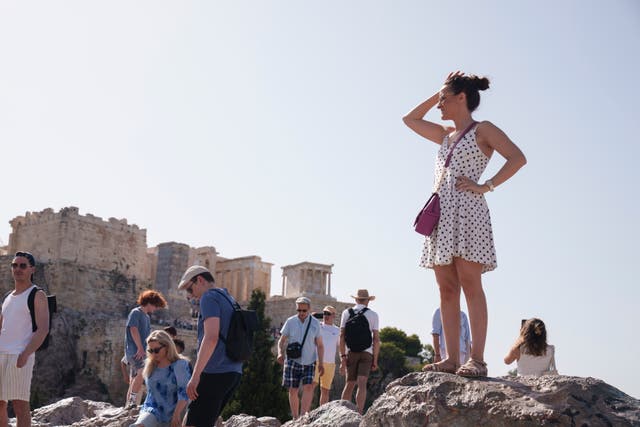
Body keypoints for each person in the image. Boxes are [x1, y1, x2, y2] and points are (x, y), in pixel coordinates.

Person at [403, 71, 526, 377]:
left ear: (462, 98)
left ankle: (478, 359)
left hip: (469, 212)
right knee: (445, 287)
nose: (439, 105)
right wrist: (437, 92)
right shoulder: (444, 134)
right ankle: (451, 359)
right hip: (441, 214)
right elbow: (410, 119)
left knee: (471, 283)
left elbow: (517, 157)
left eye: (445, 98)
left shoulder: (483, 129)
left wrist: (487, 186)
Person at [178, 265, 243, 427]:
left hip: (214, 371)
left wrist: (195, 376)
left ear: (199, 280)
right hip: (233, 371)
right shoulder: (228, 298)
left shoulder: (209, 298)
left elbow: (211, 337)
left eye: (189, 290)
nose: (190, 296)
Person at [0, 251, 50, 427]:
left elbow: (43, 329)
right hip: (1, 353)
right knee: (0, 403)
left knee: (20, 404)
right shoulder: (7, 297)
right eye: (14, 265)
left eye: (22, 266)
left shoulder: (37, 294)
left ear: (32, 269)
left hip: (19, 355)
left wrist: (26, 354)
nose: (17, 269)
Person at [129, 330, 191, 427]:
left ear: (167, 346)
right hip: (152, 409)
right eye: (150, 350)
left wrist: (176, 414)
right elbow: (142, 385)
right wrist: (132, 399)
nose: (153, 354)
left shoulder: (180, 365)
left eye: (157, 350)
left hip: (176, 411)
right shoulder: (149, 365)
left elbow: (184, 392)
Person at [277, 297, 324, 419]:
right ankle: (295, 417)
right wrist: (279, 353)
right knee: (293, 390)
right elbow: (281, 341)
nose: (301, 313)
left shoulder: (315, 323)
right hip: (292, 360)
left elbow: (320, 345)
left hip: (309, 360)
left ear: (309, 309)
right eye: (299, 310)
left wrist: (321, 363)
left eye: (304, 310)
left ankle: (303, 416)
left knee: (308, 387)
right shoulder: (290, 321)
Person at [339, 289, 380, 414]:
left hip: (351, 352)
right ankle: (359, 412)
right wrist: (375, 360)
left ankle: (341, 412)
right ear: (367, 301)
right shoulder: (373, 315)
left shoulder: (346, 313)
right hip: (367, 352)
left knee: (349, 383)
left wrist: (343, 356)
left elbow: (341, 336)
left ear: (356, 300)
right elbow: (376, 339)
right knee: (362, 384)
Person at [125, 290, 168, 407]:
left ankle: (129, 404)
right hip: (136, 352)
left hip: (141, 352)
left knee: (135, 378)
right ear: (149, 302)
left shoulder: (146, 317)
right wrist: (139, 348)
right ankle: (133, 401)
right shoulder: (136, 313)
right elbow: (133, 329)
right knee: (142, 373)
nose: (155, 309)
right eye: (155, 306)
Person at [312, 305, 340, 407]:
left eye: (328, 314)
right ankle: (305, 412)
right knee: (311, 386)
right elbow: (308, 321)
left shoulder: (337, 330)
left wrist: (343, 361)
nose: (325, 316)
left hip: (330, 363)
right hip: (316, 360)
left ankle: (322, 412)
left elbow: (341, 347)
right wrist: (314, 316)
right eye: (324, 313)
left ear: (333, 315)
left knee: (325, 390)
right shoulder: (317, 326)